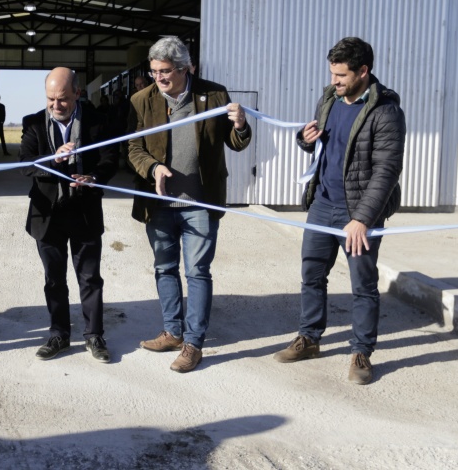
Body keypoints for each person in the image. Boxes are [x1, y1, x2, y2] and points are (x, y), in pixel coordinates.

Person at [273, 37, 406, 385]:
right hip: (322, 204)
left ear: (364, 71)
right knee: (312, 276)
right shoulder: (329, 99)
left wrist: (362, 219)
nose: (335, 81)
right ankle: (309, 338)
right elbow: (318, 147)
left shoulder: (386, 111)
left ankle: (361, 351)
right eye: (332, 73)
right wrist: (305, 139)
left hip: (359, 213)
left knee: (363, 285)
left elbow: (386, 171)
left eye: (342, 75)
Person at [128, 36, 251, 373]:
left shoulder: (214, 95)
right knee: (164, 267)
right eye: (154, 72)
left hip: (200, 202)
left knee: (197, 271)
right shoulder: (142, 100)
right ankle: (172, 331)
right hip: (160, 203)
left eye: (165, 71)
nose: (159, 78)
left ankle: (194, 343)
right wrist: (154, 168)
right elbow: (133, 148)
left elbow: (235, 142)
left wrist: (240, 125)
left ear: (185, 68)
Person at [20, 67, 119, 362]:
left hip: (84, 212)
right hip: (47, 214)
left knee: (90, 278)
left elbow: (110, 159)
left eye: (62, 99)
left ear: (77, 93)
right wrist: (52, 160)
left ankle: (94, 335)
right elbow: (25, 163)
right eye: (50, 98)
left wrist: (94, 177)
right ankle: (59, 334)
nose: (56, 105)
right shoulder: (33, 122)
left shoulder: (97, 121)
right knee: (54, 279)